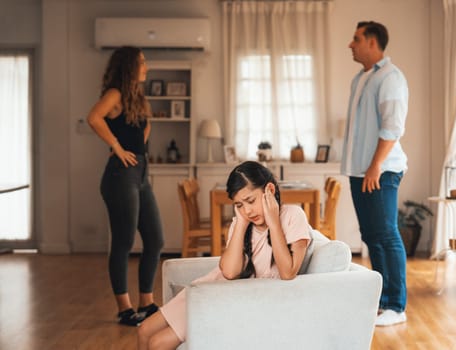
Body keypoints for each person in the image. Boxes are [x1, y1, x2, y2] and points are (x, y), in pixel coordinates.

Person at [137, 161, 311, 349]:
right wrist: (242, 224)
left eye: (250, 201)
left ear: (269, 189)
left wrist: (273, 221)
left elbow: (288, 272)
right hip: (211, 287)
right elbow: (228, 271)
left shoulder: (293, 215)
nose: (247, 211)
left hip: (227, 298)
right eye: (239, 205)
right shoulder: (242, 222)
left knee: (157, 343)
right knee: (143, 330)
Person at [87, 46, 164, 326]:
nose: (146, 66)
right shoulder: (115, 93)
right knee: (124, 241)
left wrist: (137, 147)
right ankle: (124, 309)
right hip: (120, 177)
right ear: (129, 66)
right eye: (142, 62)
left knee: (155, 239)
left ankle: (147, 302)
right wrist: (116, 146)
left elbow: (144, 129)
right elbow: (94, 117)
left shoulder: (137, 97)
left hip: (140, 175)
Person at [341, 21, 409, 326]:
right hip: (361, 171)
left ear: (372, 42)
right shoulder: (361, 78)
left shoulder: (390, 77)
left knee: (386, 234)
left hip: (380, 171)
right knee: (371, 236)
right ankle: (381, 302)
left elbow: (392, 127)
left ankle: (396, 305)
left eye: (356, 39)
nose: (350, 44)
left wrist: (374, 166)